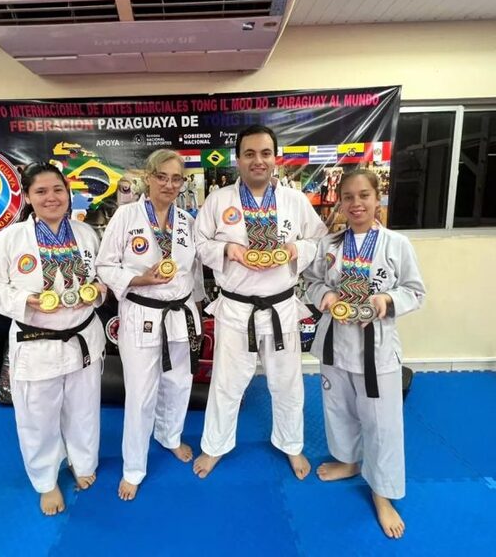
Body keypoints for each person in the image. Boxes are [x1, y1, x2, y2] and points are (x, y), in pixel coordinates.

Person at [0, 162, 107, 516]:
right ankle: (46, 481)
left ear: (68, 193)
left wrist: (97, 291)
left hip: (82, 336)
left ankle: (82, 461)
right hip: (36, 341)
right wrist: (22, 300)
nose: (51, 197)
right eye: (41, 191)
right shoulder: (12, 238)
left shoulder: (86, 233)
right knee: (38, 417)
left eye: (58, 190)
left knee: (84, 408)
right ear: (28, 197)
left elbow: (102, 276)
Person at [192, 125, 327, 479]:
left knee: (287, 382)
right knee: (226, 383)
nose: (258, 161)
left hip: (281, 307)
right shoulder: (218, 200)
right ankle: (215, 446)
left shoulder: (295, 201)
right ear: (238, 159)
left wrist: (297, 249)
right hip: (236, 308)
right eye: (249, 153)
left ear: (275, 158)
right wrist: (227, 249)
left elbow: (319, 239)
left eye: (265, 153)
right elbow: (199, 243)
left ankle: (291, 445)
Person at [303, 169, 425, 539]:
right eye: (349, 197)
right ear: (340, 202)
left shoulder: (396, 244)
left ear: (377, 198)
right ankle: (348, 461)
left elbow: (415, 291)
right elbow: (311, 283)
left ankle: (382, 493)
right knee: (338, 410)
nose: (356, 204)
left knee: (382, 424)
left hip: (376, 349)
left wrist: (386, 299)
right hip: (336, 343)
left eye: (364, 196)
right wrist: (325, 296)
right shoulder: (329, 245)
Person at [96, 149, 206, 501]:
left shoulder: (187, 221)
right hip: (141, 313)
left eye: (177, 179)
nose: (169, 185)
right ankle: (133, 468)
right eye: (162, 177)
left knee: (178, 383)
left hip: (180, 313)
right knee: (141, 393)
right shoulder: (126, 215)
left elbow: (194, 273)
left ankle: (170, 436)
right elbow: (104, 265)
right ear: (149, 177)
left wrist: (198, 311)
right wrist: (140, 279)